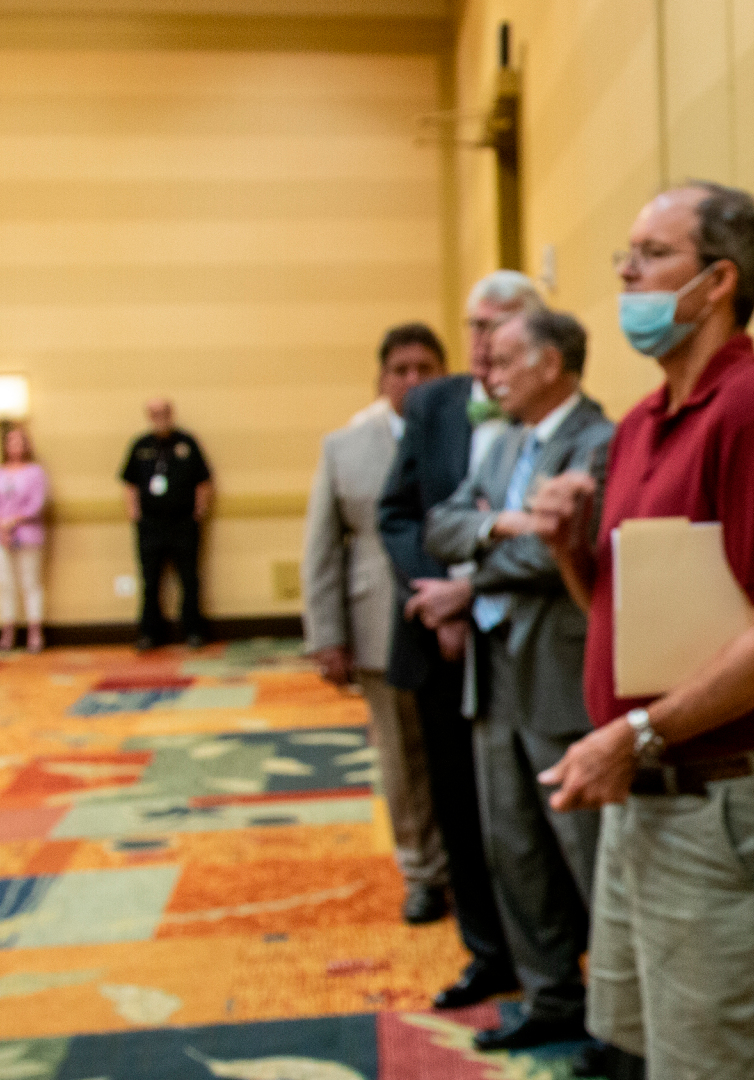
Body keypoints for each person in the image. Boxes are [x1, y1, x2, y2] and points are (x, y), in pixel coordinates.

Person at [528, 181, 754, 1080]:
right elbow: (635, 632)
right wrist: (569, 553)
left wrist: (637, 734)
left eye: (652, 254)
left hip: (720, 807)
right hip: (646, 791)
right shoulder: (640, 424)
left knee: (731, 1060)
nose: (626, 271)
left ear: (717, 282)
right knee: (652, 1048)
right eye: (628, 253)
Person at [424, 307, 615, 1051]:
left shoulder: (600, 442)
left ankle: (615, 1016)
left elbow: (559, 555)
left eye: (503, 358)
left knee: (586, 852)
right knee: (514, 847)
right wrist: (500, 527)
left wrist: (474, 569)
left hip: (559, 672)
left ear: (551, 363)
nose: (487, 371)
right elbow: (444, 524)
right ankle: (550, 998)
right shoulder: (503, 447)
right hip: (492, 670)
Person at [376, 270, 537, 1015]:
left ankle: (549, 957)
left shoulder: (550, 398)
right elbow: (399, 511)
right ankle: (486, 952)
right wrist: (436, 600)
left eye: (498, 325)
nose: (481, 342)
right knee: (459, 807)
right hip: (439, 642)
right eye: (473, 325)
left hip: (525, 643)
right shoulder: (436, 401)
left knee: (530, 814)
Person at [303, 323, 450, 924]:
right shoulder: (345, 447)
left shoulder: (472, 436)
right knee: (402, 758)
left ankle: (475, 865)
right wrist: (327, 636)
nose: (414, 381)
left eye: (426, 368)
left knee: (462, 756)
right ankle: (422, 872)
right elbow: (321, 548)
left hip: (458, 619)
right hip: (376, 625)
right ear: (381, 379)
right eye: (401, 370)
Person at [119, 398, 212, 650]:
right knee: (150, 581)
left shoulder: (187, 443)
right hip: (150, 525)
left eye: (164, 412)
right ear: (149, 416)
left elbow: (203, 479)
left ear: (171, 414)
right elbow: (130, 483)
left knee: (189, 578)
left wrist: (199, 511)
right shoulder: (141, 445)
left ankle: (192, 630)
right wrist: (134, 513)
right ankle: (149, 633)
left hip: (182, 523)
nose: (160, 417)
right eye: (155, 413)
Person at [0, 425, 46, 653]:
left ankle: (34, 633)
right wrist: (0, 527)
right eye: (11, 441)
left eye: (20, 441)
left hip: (27, 534)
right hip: (0, 537)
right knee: (5, 584)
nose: (15, 446)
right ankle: (7, 633)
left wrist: (13, 521)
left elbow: (36, 504)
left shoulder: (35, 472)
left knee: (30, 583)